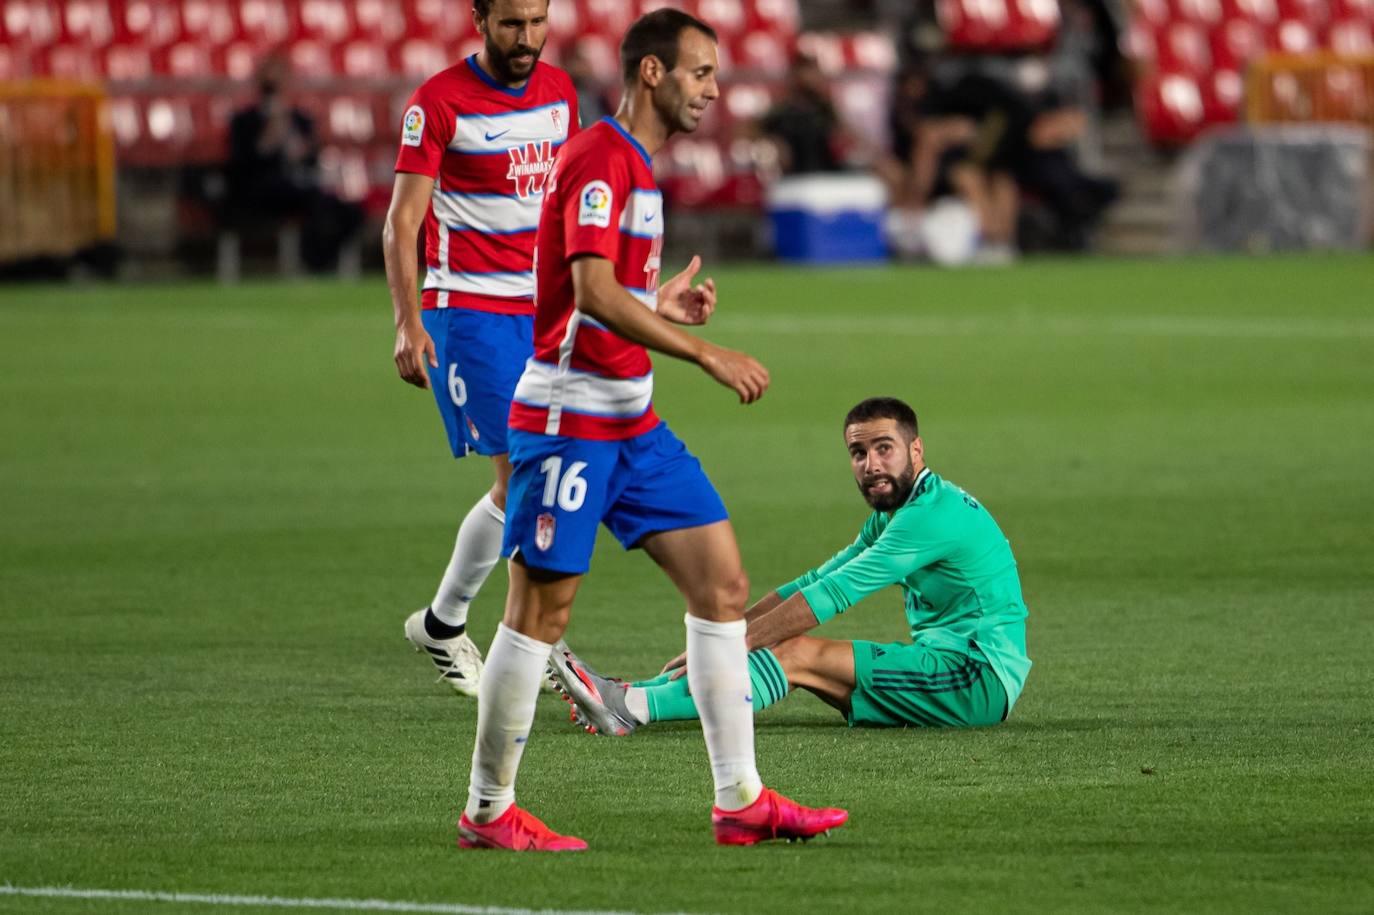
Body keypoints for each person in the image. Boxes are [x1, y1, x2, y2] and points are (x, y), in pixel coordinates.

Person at [455, 9, 848, 852]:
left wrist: (659, 304)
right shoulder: (602, 157)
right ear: (652, 73)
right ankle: (487, 810)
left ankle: (740, 799)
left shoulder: (634, 163)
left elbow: (601, 291)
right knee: (539, 612)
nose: (715, 90)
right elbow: (591, 291)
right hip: (569, 420)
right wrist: (702, 351)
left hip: (632, 419)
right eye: (701, 73)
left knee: (723, 584)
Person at [548, 397, 1032, 735]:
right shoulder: (898, 513)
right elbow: (816, 579)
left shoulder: (929, 517)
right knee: (778, 643)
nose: (871, 464)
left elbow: (836, 594)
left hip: (976, 678)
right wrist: (726, 633)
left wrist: (731, 642)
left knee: (793, 651)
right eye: (859, 453)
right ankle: (625, 693)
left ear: (916, 450)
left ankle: (632, 707)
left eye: (884, 448)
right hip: (948, 664)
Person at [385, 0, 579, 696]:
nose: (527, 38)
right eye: (511, 24)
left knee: (547, 473)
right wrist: (407, 321)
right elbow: (402, 220)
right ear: (479, 19)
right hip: (469, 312)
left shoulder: (559, 91)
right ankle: (530, 637)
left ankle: (445, 624)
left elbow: (563, 200)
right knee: (523, 473)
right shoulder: (438, 102)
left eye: (537, 21)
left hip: (545, 311)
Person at [226, 54, 363, 272]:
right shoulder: (244, 121)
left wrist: (301, 148)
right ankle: (314, 263)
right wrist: (268, 139)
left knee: (349, 210)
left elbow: (312, 157)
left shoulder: (299, 119)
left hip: (300, 184)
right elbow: (242, 164)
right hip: (263, 189)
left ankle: (324, 260)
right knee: (314, 200)